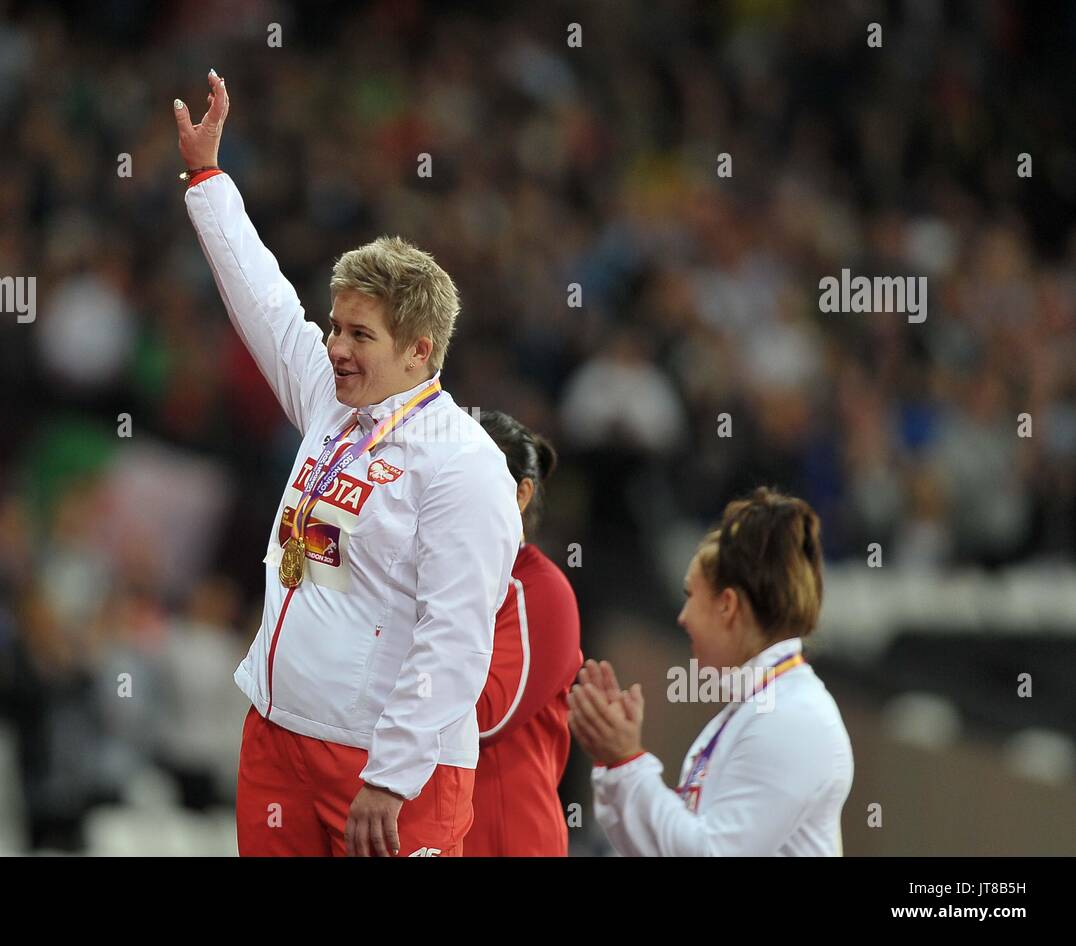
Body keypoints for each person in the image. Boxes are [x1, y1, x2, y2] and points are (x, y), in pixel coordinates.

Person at [173, 72, 522, 856]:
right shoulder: (335, 403)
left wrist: (393, 775)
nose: (334, 348)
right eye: (336, 328)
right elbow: (262, 299)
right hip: (278, 733)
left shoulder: (464, 465)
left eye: (359, 335)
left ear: (419, 351)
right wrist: (208, 180)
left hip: (388, 768)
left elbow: (458, 636)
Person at [569, 487, 854, 856]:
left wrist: (627, 761)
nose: (682, 617)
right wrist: (614, 760)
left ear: (727, 605)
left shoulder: (793, 717)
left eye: (690, 595)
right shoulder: (761, 707)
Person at [465, 411, 582, 857]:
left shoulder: (540, 589)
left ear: (521, 494)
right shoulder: (432, 573)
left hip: (506, 839)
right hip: (434, 830)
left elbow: (487, 717)